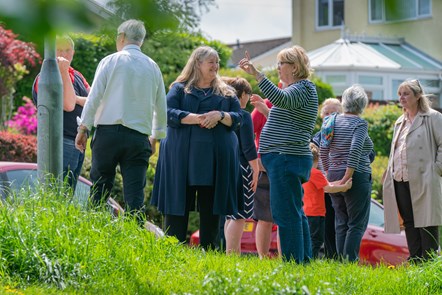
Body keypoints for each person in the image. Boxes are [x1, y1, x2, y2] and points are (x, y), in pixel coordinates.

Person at [151, 46, 243, 250]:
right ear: (197, 63)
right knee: (177, 204)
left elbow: (238, 119)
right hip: (181, 157)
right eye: (211, 61)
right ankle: (172, 250)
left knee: (211, 207)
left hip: (215, 159)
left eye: (217, 62)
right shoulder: (179, 88)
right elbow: (167, 112)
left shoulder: (227, 93)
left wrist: (219, 115)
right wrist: (199, 119)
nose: (216, 65)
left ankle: (209, 251)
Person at [75, 19, 167, 218]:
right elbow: (161, 106)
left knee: (100, 189)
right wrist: (155, 137)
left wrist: (84, 128)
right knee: (135, 197)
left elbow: (94, 96)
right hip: (139, 138)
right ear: (140, 41)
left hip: (108, 134)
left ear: (122, 37)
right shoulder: (153, 67)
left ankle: (95, 232)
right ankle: (135, 240)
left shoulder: (111, 60)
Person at [239, 46, 318, 263]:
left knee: (286, 215)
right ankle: (302, 262)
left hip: (286, 158)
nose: (278, 68)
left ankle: (293, 264)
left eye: (281, 63)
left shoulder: (302, 88)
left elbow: (281, 99)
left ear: (294, 66)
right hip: (284, 158)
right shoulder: (298, 90)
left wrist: (256, 74)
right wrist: (266, 112)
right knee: (295, 212)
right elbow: (285, 114)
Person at [383, 79, 442, 262]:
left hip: (425, 178)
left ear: (418, 96)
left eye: (406, 93)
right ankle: (415, 262)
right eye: (400, 93)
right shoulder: (399, 121)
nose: (401, 97)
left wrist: (436, 169)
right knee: (409, 222)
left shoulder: (433, 117)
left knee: (427, 221)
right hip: (400, 179)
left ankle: (429, 265)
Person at [320, 84, 373, 262]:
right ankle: (349, 263)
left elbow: (323, 149)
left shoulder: (330, 121)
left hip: (334, 173)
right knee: (356, 223)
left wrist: (329, 174)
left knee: (341, 221)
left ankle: (340, 263)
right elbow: (355, 149)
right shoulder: (360, 123)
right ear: (362, 105)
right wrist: (347, 176)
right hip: (356, 175)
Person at [32, 35, 89, 192]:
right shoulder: (46, 77)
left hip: (78, 141)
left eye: (67, 50)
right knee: (56, 192)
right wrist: (63, 71)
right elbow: (69, 105)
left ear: (73, 52)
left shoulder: (77, 75)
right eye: (59, 50)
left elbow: (95, 101)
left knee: (68, 192)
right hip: (60, 142)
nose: (63, 54)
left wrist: (76, 98)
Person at [222, 77, 259, 255]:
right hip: (243, 167)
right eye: (248, 93)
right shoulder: (243, 115)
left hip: (226, 166)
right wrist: (256, 168)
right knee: (240, 215)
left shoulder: (224, 114)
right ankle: (232, 255)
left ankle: (229, 253)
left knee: (230, 214)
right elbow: (248, 146)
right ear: (243, 94)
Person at [303, 143, 352, 258]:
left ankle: (306, 260)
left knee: (309, 239)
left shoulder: (305, 172)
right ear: (316, 159)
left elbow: (326, 184)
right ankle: (309, 262)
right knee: (316, 240)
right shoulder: (315, 173)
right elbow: (328, 188)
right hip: (316, 212)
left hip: (307, 211)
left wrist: (341, 183)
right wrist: (344, 187)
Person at [312, 98, 343, 259]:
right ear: (322, 115)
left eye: (335, 113)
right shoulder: (315, 139)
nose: (330, 116)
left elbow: (369, 155)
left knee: (342, 224)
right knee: (327, 226)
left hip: (343, 186)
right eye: (327, 113)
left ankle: (343, 259)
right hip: (323, 190)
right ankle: (332, 258)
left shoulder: (349, 134)